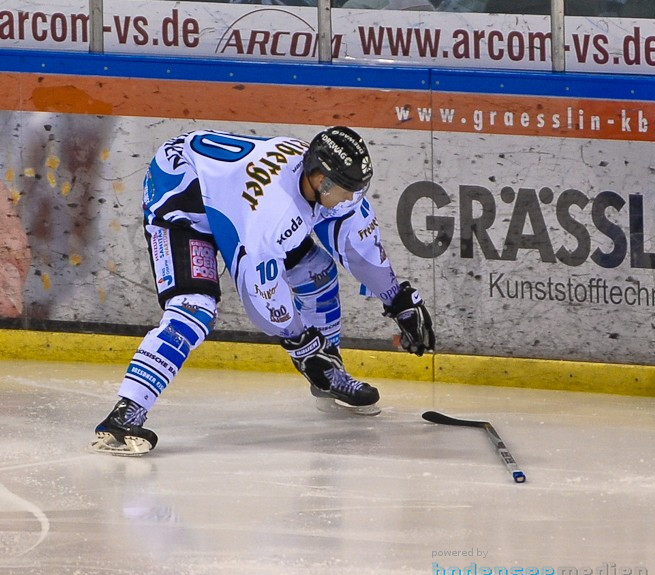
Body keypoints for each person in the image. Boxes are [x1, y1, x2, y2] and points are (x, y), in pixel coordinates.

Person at [91, 126, 435, 456]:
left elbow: (361, 247)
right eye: (345, 189)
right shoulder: (271, 214)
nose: (350, 198)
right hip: (183, 203)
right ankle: (125, 415)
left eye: (356, 189)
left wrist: (398, 299)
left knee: (316, 272)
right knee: (193, 310)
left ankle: (328, 375)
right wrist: (301, 343)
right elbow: (259, 294)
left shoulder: (324, 186)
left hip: (232, 197)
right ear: (318, 178)